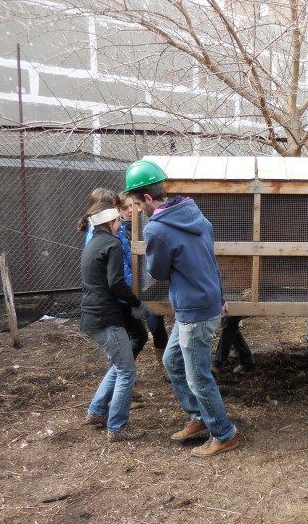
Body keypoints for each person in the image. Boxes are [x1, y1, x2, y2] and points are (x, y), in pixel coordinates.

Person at [124, 159, 239, 458]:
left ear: (147, 199)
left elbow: (159, 273)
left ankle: (223, 433)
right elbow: (210, 261)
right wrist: (221, 294)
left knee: (198, 375)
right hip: (205, 302)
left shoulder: (157, 230)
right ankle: (199, 417)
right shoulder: (194, 214)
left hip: (195, 311)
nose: (137, 210)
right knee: (172, 361)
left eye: (137, 204)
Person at [78, 199, 146, 442]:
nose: (120, 223)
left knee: (119, 366)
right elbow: (116, 283)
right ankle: (117, 427)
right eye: (118, 220)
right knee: (127, 371)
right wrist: (137, 303)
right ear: (109, 221)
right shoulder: (112, 245)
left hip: (92, 316)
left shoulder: (93, 243)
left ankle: (97, 411)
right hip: (106, 317)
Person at [119, 192, 171, 381]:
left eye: (133, 205)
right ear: (119, 212)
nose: (130, 211)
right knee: (132, 335)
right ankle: (123, 376)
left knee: (156, 326)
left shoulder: (151, 224)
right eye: (124, 208)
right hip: (129, 291)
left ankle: (164, 365)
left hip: (152, 286)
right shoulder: (119, 231)